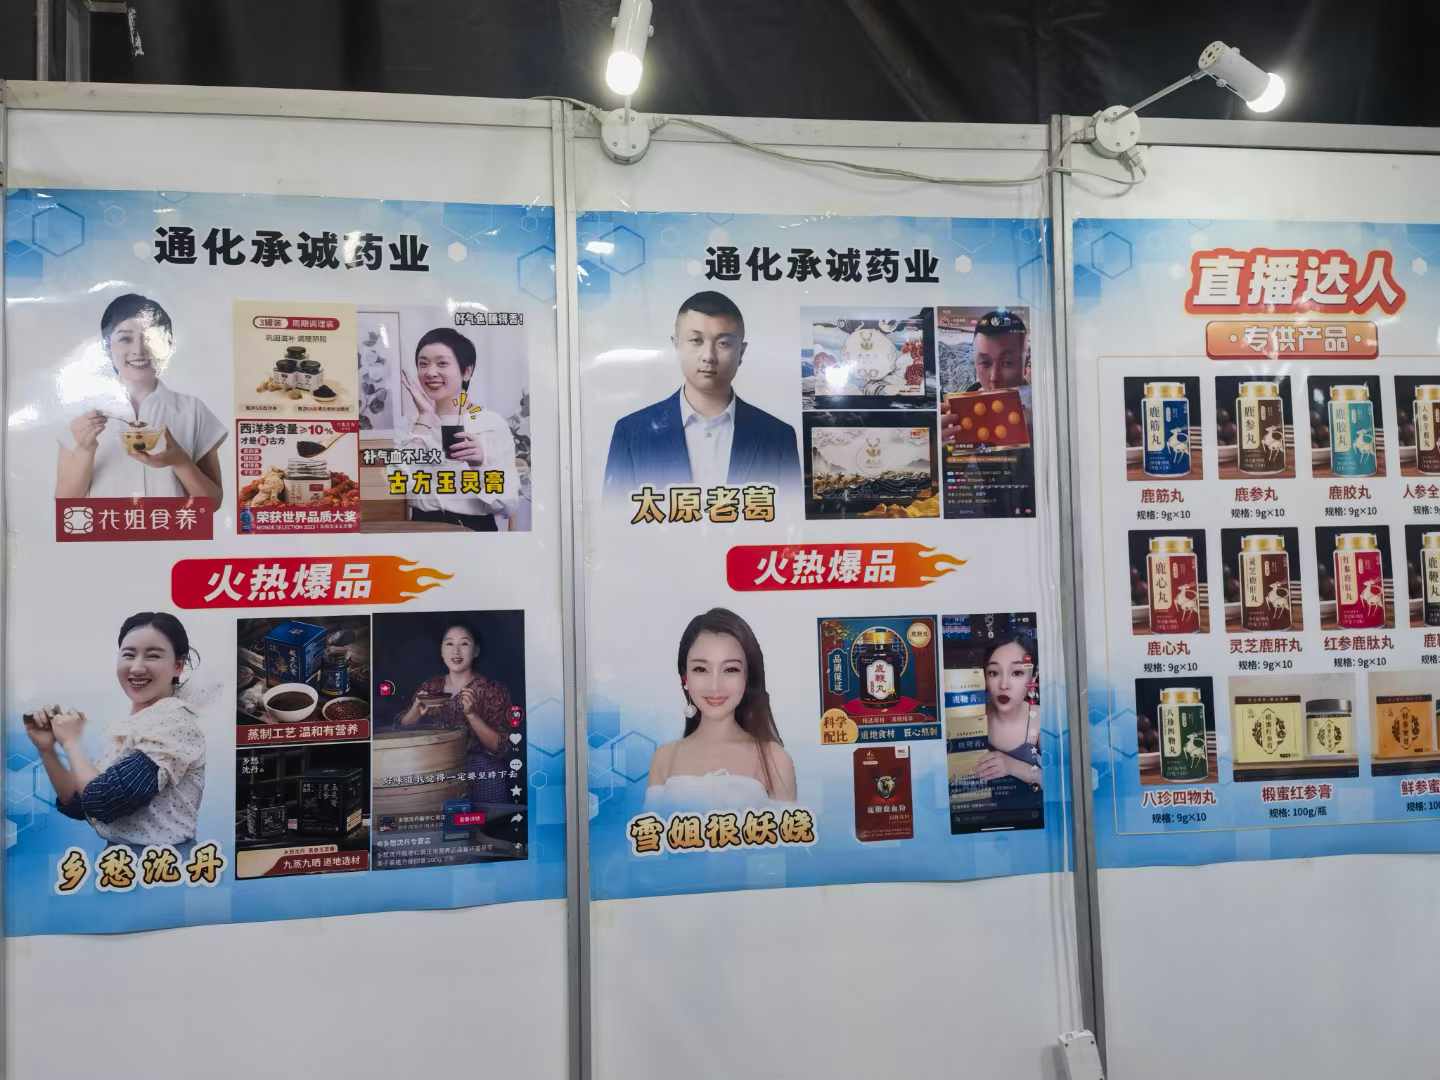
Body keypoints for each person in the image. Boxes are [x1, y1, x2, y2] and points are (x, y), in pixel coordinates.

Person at [23, 612, 207, 846]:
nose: (137, 667)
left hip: (165, 861)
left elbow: (102, 801)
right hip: (120, 859)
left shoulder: (174, 723)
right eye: (129, 654)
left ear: (177, 666)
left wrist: (71, 742)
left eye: (153, 656)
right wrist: (47, 749)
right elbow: (79, 804)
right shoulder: (138, 723)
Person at [604, 291, 800, 499]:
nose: (708, 356)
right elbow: (614, 516)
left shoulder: (778, 437)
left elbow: (791, 515)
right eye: (696, 340)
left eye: (723, 343)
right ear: (676, 346)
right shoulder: (632, 434)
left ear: (741, 352)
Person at [56, 294, 226, 505]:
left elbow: (213, 503)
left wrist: (180, 461)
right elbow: (65, 504)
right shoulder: (82, 414)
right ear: (107, 347)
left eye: (150, 338)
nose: (138, 350)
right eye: (125, 339)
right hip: (109, 525)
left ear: (168, 344)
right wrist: (85, 449)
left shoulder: (192, 410)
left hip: (170, 525)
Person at [646, 608, 796, 812]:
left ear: (747, 677)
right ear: (685, 678)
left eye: (730, 669)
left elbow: (791, 832)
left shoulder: (774, 759)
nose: (715, 686)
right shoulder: (664, 758)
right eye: (701, 669)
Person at [397, 327, 518, 531]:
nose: (430, 372)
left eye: (442, 363)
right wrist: (424, 418)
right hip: (422, 529)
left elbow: (508, 506)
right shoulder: (410, 425)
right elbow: (400, 484)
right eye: (423, 364)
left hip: (475, 530)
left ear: (466, 371)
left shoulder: (491, 424)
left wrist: (480, 466)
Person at [398, 621, 517, 809]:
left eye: (464, 643)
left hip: (482, 773)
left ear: (476, 651)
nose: (456, 651)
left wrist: (472, 715)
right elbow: (401, 732)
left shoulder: (493, 690)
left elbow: (500, 747)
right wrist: (415, 710)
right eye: (449, 643)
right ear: (441, 650)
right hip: (437, 771)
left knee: (486, 824)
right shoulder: (430, 688)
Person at [941, 309, 1031, 445]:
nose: (994, 378)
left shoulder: (1045, 410)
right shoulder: (961, 411)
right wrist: (940, 446)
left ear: (1025, 361)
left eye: (1007, 363)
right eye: (985, 363)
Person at [971, 631, 1042, 790]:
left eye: (1017, 673)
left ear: (1033, 677)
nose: (1003, 685)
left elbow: (1070, 782)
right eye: (993, 673)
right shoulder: (972, 715)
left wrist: (1012, 766)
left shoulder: (1041, 720)